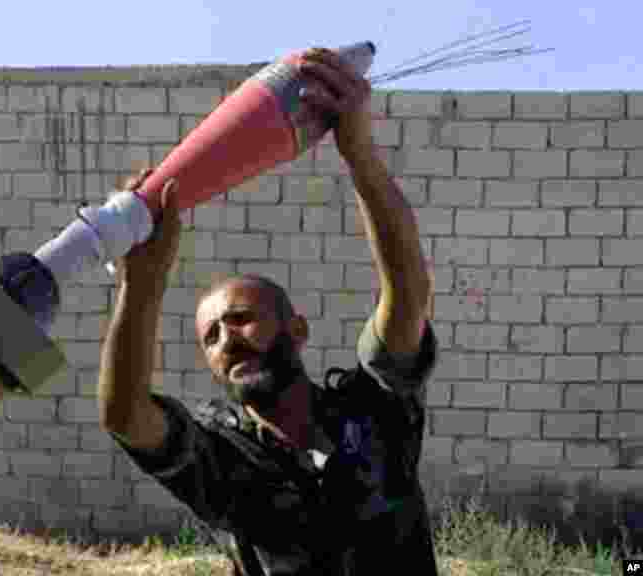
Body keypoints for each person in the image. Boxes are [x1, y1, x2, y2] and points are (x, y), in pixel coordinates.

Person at [97, 47, 440, 575]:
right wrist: (140, 283)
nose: (227, 339)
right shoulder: (225, 464)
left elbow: (408, 294)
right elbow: (125, 413)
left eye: (240, 319)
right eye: (211, 336)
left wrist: (360, 156)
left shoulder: (373, 411)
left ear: (296, 329)